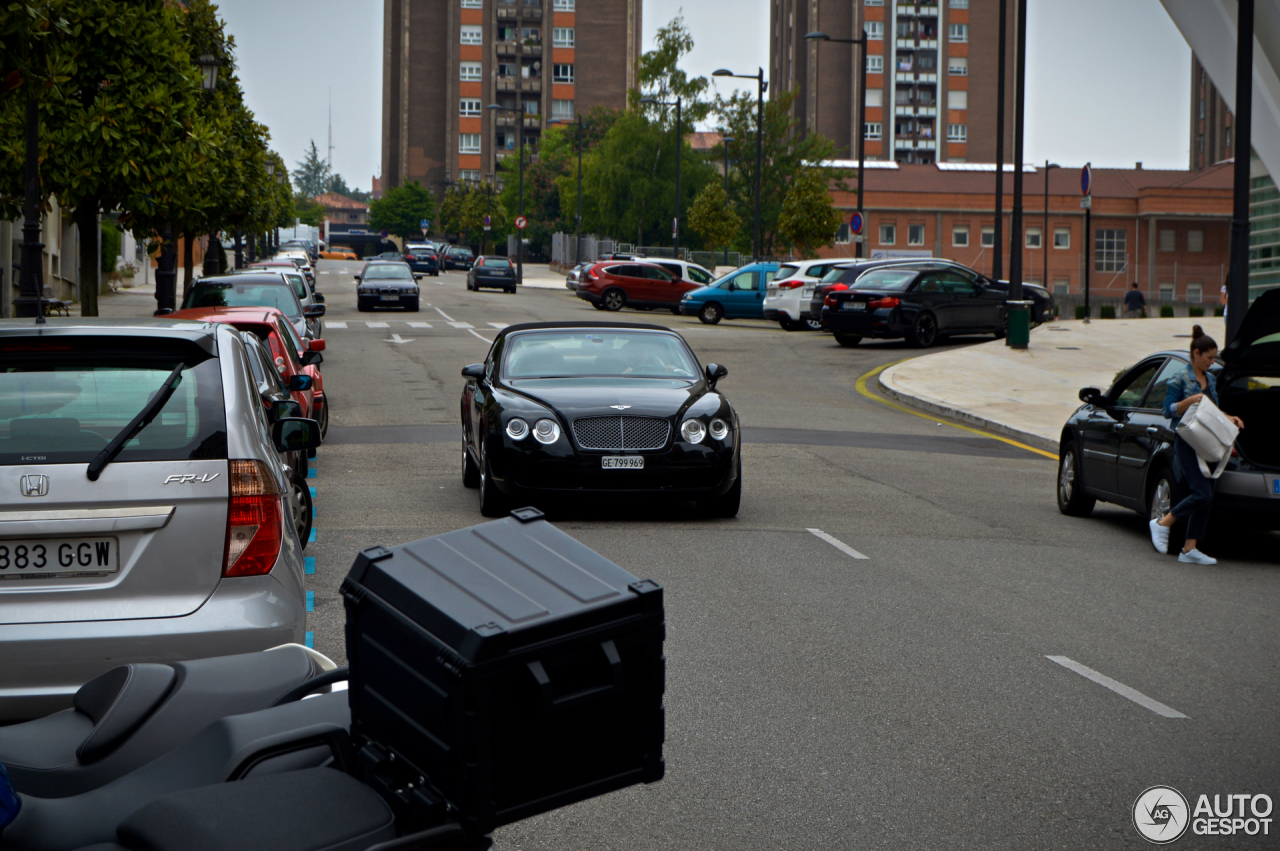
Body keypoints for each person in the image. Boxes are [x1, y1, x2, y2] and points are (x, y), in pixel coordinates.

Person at [1149, 325, 1245, 564]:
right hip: (1186, 440)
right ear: (1196, 354)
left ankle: (1189, 549)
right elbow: (1167, 410)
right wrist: (1190, 400)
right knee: (1201, 493)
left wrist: (1228, 417)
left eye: (1214, 358)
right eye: (1209, 358)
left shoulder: (1210, 379)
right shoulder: (1179, 379)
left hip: (1207, 441)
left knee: (1207, 495)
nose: (1212, 362)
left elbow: (1211, 410)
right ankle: (1163, 523)